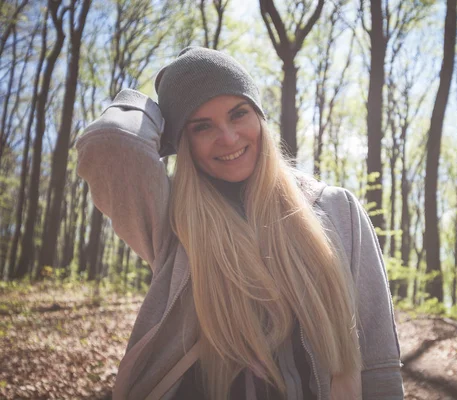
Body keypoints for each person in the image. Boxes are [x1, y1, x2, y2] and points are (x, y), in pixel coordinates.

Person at [76, 46, 403, 400]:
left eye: (238, 113)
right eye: (202, 127)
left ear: (260, 117)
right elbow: (109, 142)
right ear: (181, 142)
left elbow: (378, 358)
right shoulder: (174, 222)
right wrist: (158, 111)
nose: (228, 138)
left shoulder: (338, 209)